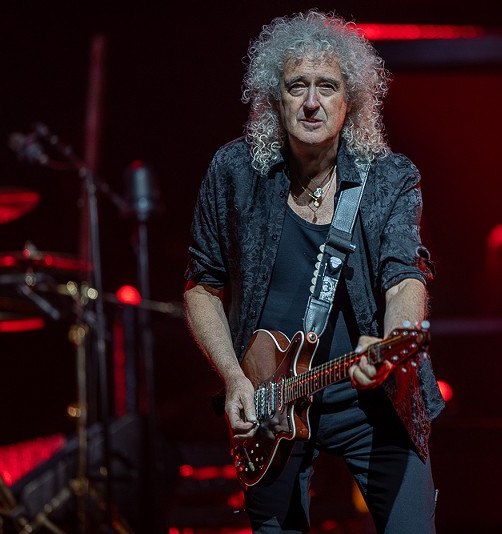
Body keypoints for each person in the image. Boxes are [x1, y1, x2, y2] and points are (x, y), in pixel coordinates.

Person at [183, 10, 444, 534]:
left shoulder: (390, 178)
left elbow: (405, 273)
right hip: (270, 408)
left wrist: (393, 344)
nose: (310, 102)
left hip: (372, 403)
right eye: (296, 86)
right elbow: (201, 286)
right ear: (273, 98)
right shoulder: (234, 172)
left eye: (327, 86)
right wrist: (233, 378)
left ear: (351, 101)